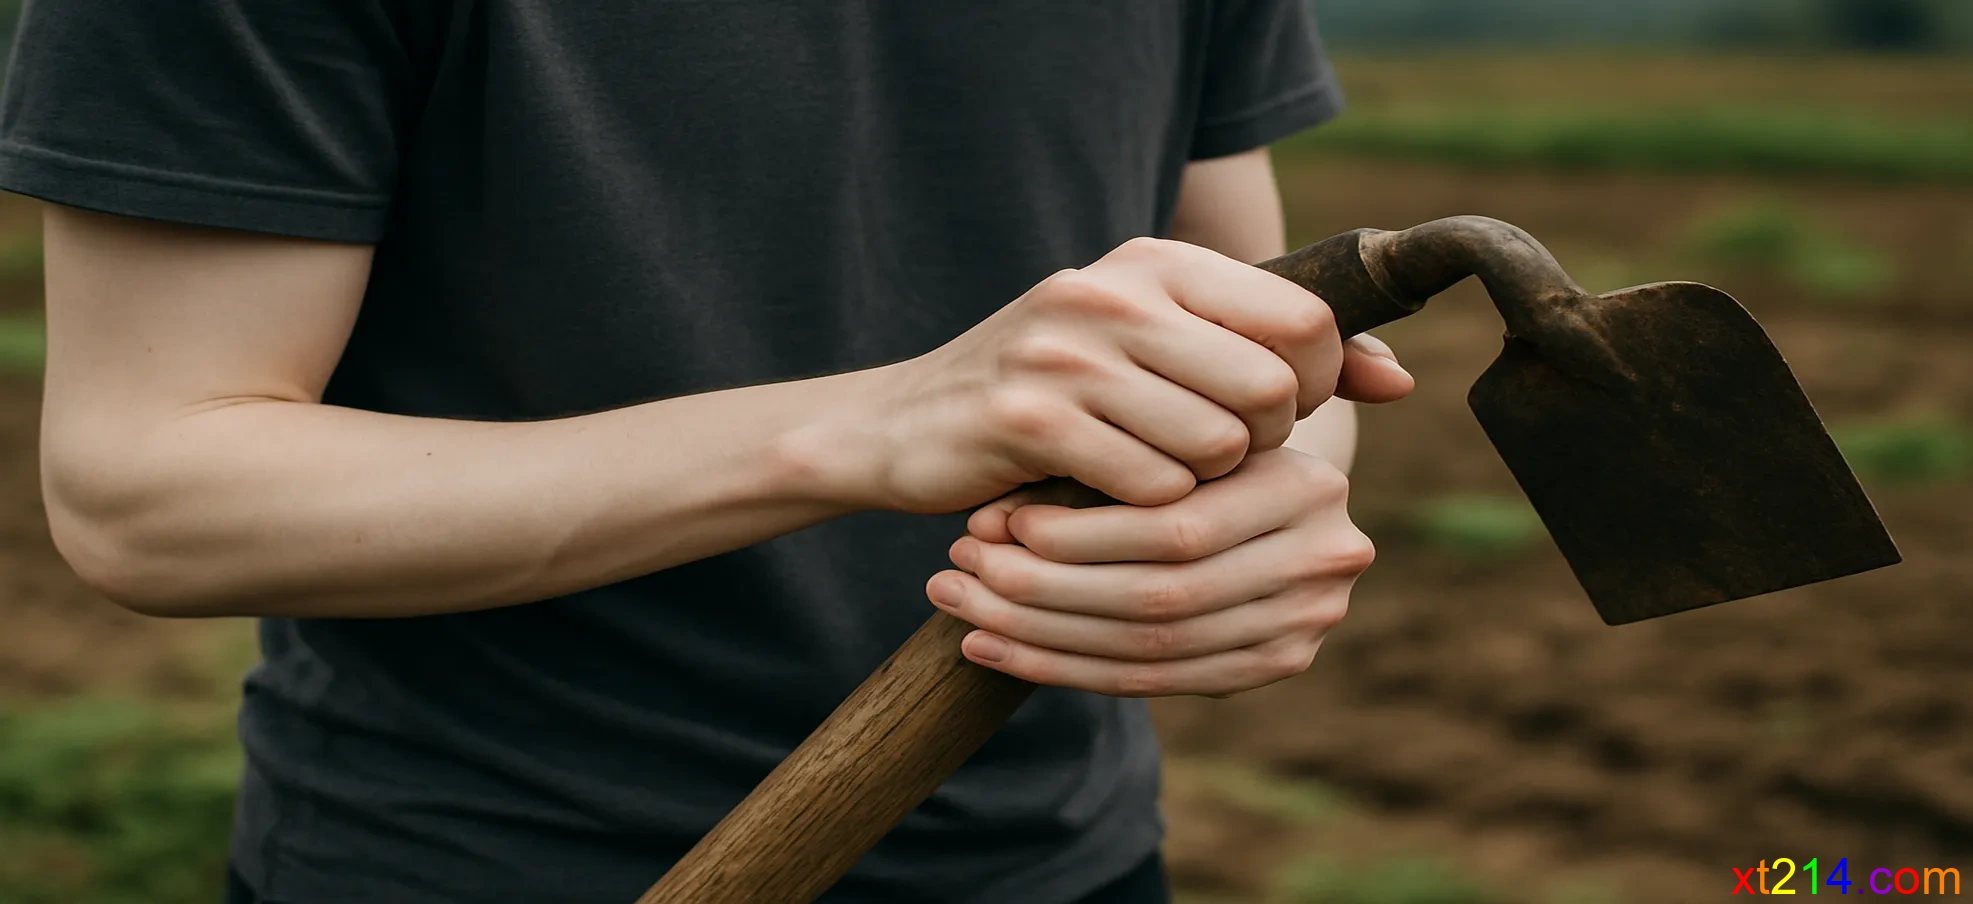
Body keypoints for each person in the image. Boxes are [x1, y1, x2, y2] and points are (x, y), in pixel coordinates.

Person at [0, 2, 1413, 902]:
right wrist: (866, 428)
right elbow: (150, 491)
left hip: (1071, 864)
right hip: (484, 863)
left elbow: (1252, 309)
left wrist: (1278, 492)